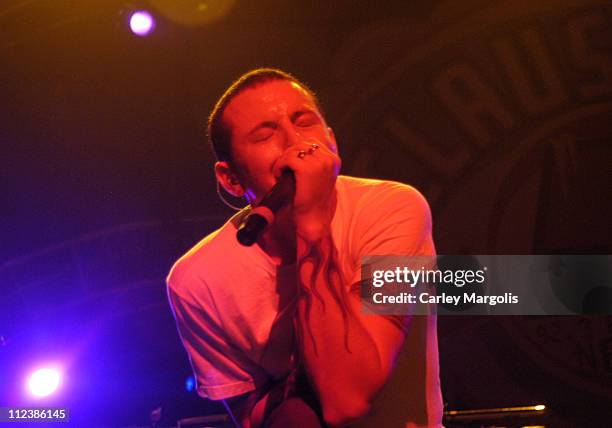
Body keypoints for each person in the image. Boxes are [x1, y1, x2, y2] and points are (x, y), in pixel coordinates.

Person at [167, 68, 443, 427]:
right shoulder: (197, 280)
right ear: (231, 179)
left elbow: (347, 400)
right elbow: (254, 418)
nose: (295, 141)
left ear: (332, 140)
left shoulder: (392, 208)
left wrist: (311, 228)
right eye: (265, 134)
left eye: (304, 121)